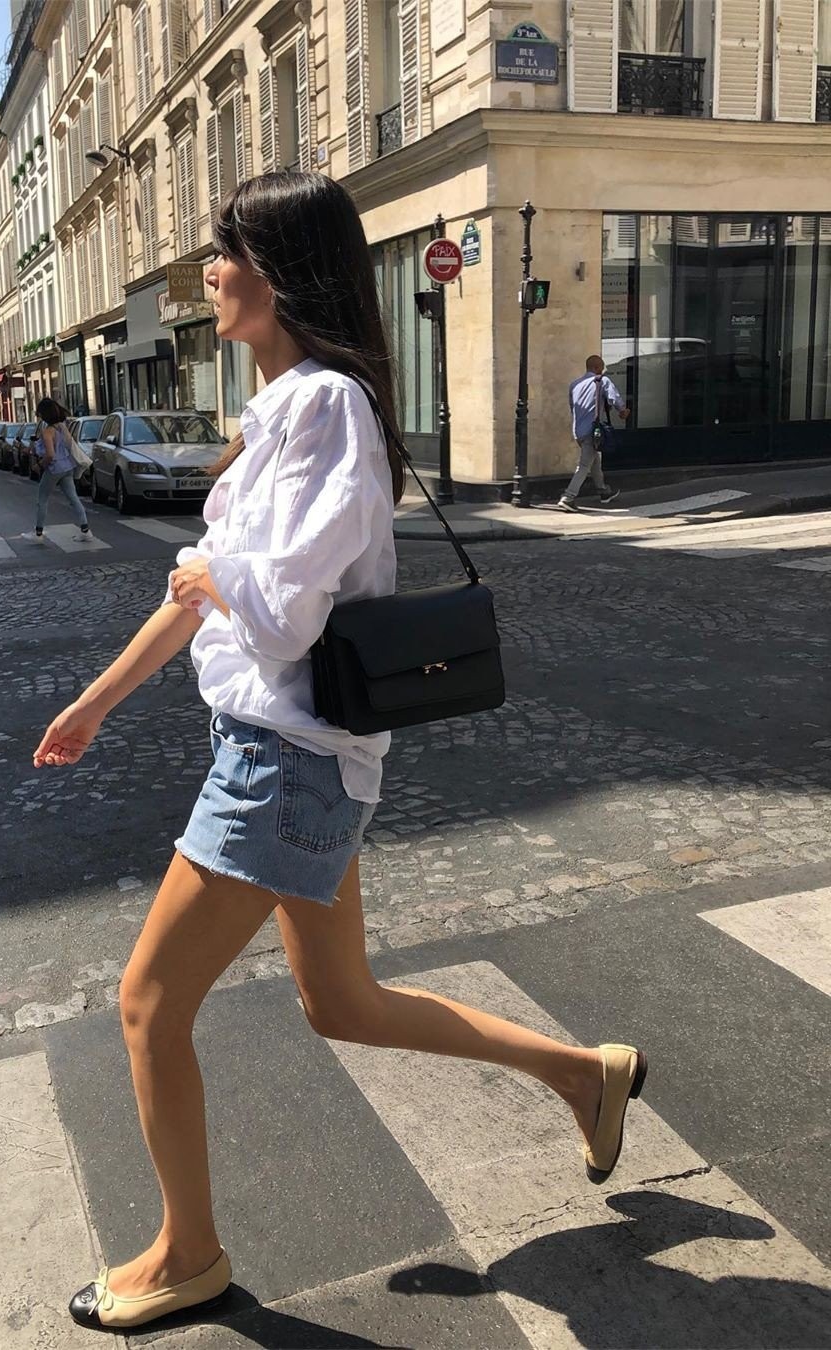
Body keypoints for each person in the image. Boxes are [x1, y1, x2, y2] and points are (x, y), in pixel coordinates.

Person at [34, 171, 647, 1334]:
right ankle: (584, 1074)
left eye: (223, 251)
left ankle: (189, 1254)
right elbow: (197, 594)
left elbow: (279, 609)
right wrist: (95, 703)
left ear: (275, 270)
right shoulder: (280, 417)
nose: (207, 272)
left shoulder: (326, 407)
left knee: (148, 1005)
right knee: (342, 1002)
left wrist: (216, 575)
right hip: (292, 747)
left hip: (286, 760)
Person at [557, 355, 630, 512]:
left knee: (595, 461)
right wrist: (622, 411)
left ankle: (604, 491)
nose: (602, 371)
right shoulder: (602, 380)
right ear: (597, 368)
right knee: (584, 465)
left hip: (578, 430)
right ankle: (568, 497)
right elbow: (614, 397)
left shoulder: (574, 385)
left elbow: (573, 407)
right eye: (601, 368)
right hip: (593, 431)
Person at [32, 397, 91, 541]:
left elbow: (50, 455)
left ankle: (38, 534)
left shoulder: (48, 432)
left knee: (42, 499)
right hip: (68, 466)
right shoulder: (62, 427)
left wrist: (39, 465)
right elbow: (69, 444)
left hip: (54, 469)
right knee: (73, 498)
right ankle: (85, 530)